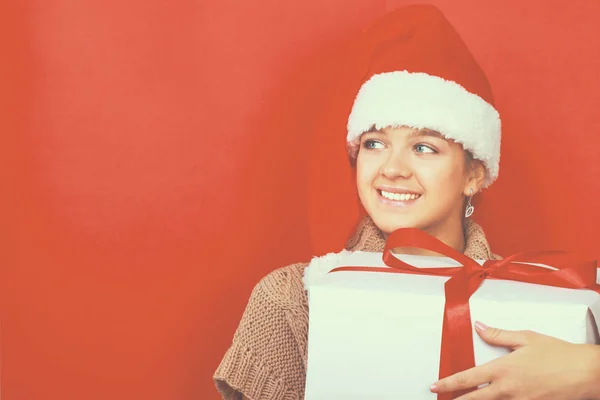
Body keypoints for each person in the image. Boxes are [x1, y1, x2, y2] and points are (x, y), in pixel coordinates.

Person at [213, 4, 600, 400]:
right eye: (374, 143)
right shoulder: (293, 300)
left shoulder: (538, 301)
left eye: (424, 147)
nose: (392, 168)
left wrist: (592, 373)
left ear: (474, 174)